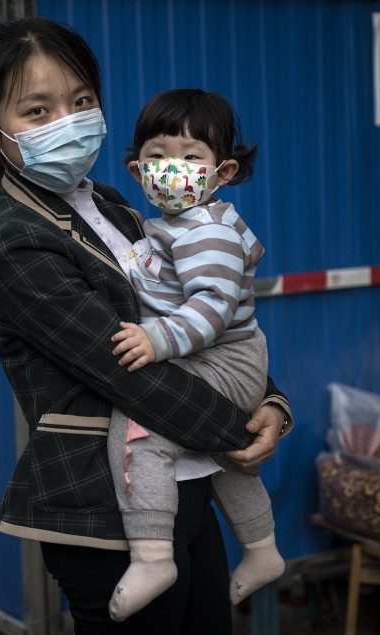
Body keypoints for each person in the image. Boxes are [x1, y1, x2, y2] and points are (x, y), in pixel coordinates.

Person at [0, 17, 293, 634]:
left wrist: (270, 400)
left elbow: (196, 317)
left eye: (81, 101)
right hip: (103, 505)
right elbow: (126, 370)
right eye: (37, 111)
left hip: (187, 474)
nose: (67, 121)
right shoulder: (19, 240)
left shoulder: (112, 202)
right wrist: (240, 427)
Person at [105, 89, 285, 621]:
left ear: (222, 172)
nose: (172, 169)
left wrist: (156, 339)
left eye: (190, 157)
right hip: (231, 359)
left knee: (140, 424)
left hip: (222, 358)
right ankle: (262, 548)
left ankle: (154, 555)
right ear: (138, 172)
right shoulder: (175, 226)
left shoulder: (207, 231)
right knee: (228, 450)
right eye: (157, 157)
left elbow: (211, 307)